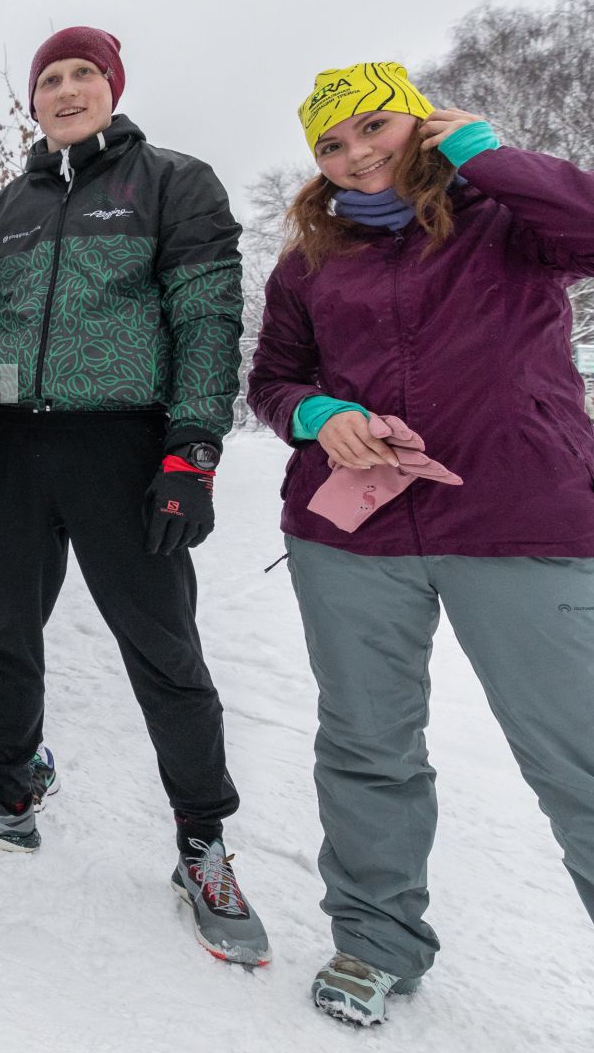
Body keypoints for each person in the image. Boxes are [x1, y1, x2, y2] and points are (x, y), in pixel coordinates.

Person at [247, 63, 594, 1025]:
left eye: (373, 128)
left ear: (420, 122)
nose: (356, 155)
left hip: (518, 517)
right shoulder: (309, 261)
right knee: (367, 746)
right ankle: (375, 941)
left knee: (579, 758)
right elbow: (272, 377)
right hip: (354, 535)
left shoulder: (506, 216)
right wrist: (315, 412)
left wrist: (496, 157)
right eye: (330, 144)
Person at [0, 27, 268, 967]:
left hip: (122, 445)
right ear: (32, 101)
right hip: (14, 452)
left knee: (162, 647)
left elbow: (205, 317)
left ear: (112, 87)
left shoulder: (173, 182)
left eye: (84, 76)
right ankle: (10, 787)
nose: (66, 90)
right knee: (4, 629)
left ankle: (202, 841)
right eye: (50, 79)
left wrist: (192, 447)